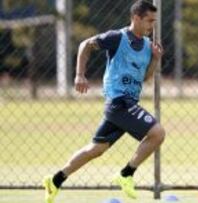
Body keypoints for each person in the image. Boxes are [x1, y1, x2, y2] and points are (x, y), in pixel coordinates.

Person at [42, 1, 165, 202]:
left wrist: (155, 59)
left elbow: (146, 78)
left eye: (154, 21)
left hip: (127, 105)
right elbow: (86, 45)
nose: (152, 26)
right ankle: (126, 174)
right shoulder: (117, 37)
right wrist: (80, 75)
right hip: (119, 102)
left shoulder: (147, 47)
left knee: (95, 149)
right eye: (149, 21)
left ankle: (55, 180)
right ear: (135, 18)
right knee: (157, 133)